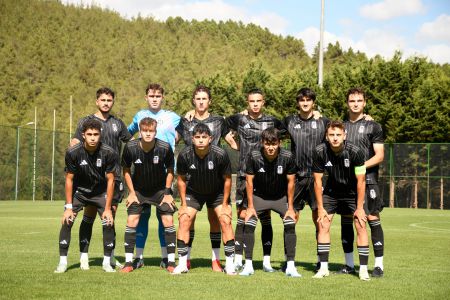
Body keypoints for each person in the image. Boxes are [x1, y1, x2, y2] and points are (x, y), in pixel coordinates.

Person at [177, 85, 238, 271]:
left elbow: (232, 138)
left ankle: (216, 260)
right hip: (193, 180)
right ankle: (185, 259)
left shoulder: (220, 120)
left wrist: (240, 149)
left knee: (217, 220)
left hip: (215, 178)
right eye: (198, 99)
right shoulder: (185, 121)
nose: (201, 102)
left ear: (209, 101)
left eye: (205, 99)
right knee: (188, 219)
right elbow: (172, 138)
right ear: (193, 101)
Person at [70, 87, 132, 270]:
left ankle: (110, 257)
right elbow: (74, 143)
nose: (106, 103)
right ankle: (84, 256)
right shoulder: (86, 122)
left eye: (109, 100)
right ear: (97, 101)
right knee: (88, 216)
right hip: (91, 179)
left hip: (113, 176)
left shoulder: (118, 123)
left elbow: (130, 143)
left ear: (112, 102)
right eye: (103, 100)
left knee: (110, 216)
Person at [225, 88, 285, 272]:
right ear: (247, 103)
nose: (255, 104)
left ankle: (266, 261)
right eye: (252, 101)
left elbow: (286, 131)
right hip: (244, 175)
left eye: (259, 101)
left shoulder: (272, 121)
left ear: (263, 102)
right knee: (242, 217)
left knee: (266, 218)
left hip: (265, 176)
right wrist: (234, 144)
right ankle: (237, 258)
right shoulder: (240, 119)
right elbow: (222, 126)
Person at [127, 83, 181, 269]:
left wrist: (189, 116)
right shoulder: (140, 115)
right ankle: (138, 257)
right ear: (146, 97)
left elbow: (185, 131)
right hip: (142, 175)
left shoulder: (172, 117)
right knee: (140, 217)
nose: (155, 98)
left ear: (162, 97)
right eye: (151, 96)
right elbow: (127, 133)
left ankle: (166, 257)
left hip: (165, 174)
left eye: (158, 96)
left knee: (164, 217)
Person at [55, 119, 117, 273]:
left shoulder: (109, 152)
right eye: (89, 134)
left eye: (96, 134)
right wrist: (68, 207)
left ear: (100, 135)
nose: (93, 137)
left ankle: (107, 262)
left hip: (100, 192)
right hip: (80, 192)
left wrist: (108, 208)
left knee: (108, 221)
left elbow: (111, 181)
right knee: (67, 220)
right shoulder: (73, 152)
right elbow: (69, 179)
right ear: (83, 135)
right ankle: (63, 262)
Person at [312, 120, 370, 281]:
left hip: (352, 192)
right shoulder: (319, 151)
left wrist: (359, 207)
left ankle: (363, 270)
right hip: (331, 192)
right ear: (326, 136)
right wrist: (321, 207)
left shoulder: (356, 151)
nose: (335, 138)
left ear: (345, 135)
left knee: (360, 224)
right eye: (332, 135)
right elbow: (317, 181)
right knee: (323, 224)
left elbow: (361, 181)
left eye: (338, 134)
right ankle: (323, 268)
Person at [240, 128, 301, 277]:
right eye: (267, 144)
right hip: (259, 197)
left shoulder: (288, 156)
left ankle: (291, 266)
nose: (271, 147)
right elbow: (249, 181)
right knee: (248, 224)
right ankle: (248, 265)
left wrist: (291, 208)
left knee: (290, 224)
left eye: (274, 143)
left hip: (280, 198)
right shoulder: (253, 156)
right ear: (262, 143)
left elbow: (291, 182)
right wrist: (250, 207)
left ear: (280, 143)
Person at [120, 117, 177, 273]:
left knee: (168, 219)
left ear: (155, 132)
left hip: (160, 190)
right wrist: (131, 193)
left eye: (151, 131)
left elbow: (171, 170)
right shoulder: (130, 147)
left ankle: (169, 261)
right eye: (144, 131)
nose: (148, 134)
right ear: (140, 131)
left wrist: (167, 193)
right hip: (138, 190)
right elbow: (125, 170)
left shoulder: (164, 147)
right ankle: (130, 261)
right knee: (132, 219)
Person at [338, 87, 385, 277]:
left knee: (372, 218)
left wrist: (360, 167)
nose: (355, 104)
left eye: (359, 100)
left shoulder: (374, 126)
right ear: (347, 103)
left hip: (369, 180)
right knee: (347, 220)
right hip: (346, 182)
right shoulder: (340, 127)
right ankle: (349, 265)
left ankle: (379, 265)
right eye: (352, 101)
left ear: (364, 103)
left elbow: (379, 155)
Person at [282, 87, 329, 271]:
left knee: (320, 219)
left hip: (318, 178)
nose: (305, 103)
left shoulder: (323, 121)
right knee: (291, 218)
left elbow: (341, 130)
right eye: (302, 100)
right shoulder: (289, 121)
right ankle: (289, 260)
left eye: (308, 100)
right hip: (297, 177)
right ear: (298, 103)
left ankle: (320, 260)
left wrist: (367, 117)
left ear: (313, 102)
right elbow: (268, 126)